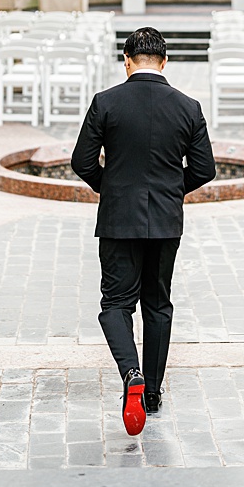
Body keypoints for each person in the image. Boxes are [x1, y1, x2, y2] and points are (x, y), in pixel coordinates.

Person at [70, 26, 215, 436]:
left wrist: (111, 189)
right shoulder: (188, 107)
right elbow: (205, 169)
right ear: (165, 62)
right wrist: (169, 192)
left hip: (118, 219)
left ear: (127, 61)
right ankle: (152, 393)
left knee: (115, 304)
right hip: (166, 222)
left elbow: (82, 161)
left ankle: (130, 372)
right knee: (158, 305)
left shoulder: (106, 103)